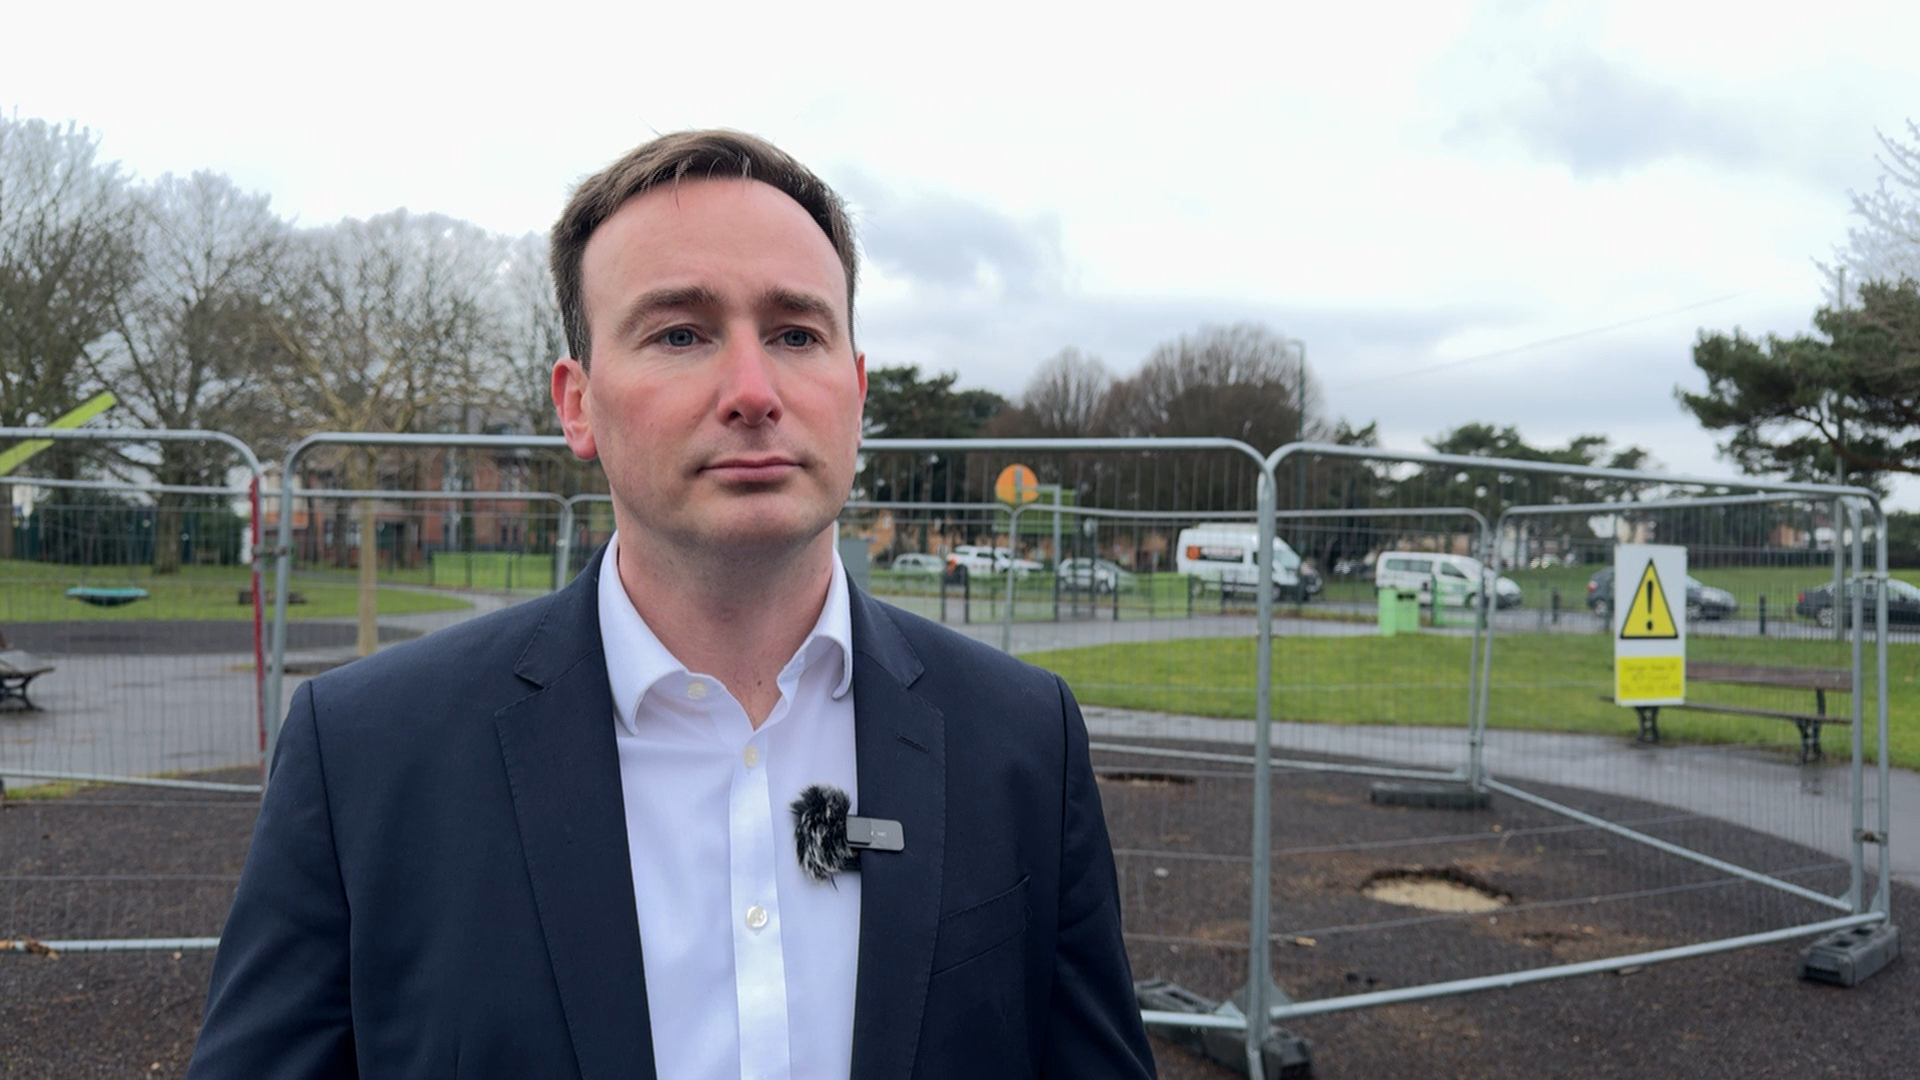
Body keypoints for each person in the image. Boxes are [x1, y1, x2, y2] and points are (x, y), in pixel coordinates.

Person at [187, 130, 1157, 1080]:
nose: (751, 389)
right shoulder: (366, 756)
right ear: (578, 403)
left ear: (856, 393)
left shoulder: (1022, 742)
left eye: (796, 333)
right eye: (681, 333)